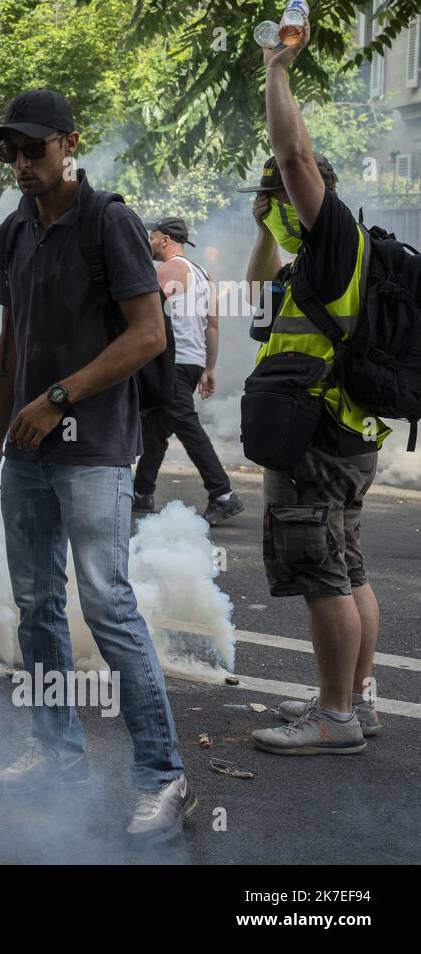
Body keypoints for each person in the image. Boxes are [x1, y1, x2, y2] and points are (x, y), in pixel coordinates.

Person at [0, 90, 194, 842]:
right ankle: (57, 752)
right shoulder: (12, 235)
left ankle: (163, 777)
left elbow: (148, 335)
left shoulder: (111, 222)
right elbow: (10, 346)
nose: (22, 165)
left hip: (94, 447)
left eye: (34, 149)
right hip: (26, 453)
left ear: (70, 143)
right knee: (36, 607)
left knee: (108, 605)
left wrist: (59, 398)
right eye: (11, 153)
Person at [242, 25, 384, 755]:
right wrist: (265, 228)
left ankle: (332, 718)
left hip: (317, 439)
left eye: (277, 193)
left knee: (322, 571)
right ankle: (354, 701)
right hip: (343, 436)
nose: (274, 197)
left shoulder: (330, 236)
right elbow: (256, 307)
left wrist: (276, 71)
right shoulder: (315, 260)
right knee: (348, 566)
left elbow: (293, 151)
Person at [133, 215, 242, 524]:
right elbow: (213, 324)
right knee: (156, 428)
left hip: (173, 362)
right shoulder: (202, 274)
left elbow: (144, 312)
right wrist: (209, 368)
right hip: (192, 362)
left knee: (185, 423)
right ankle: (141, 492)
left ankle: (222, 494)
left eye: (151, 236)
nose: (148, 241)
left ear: (164, 239)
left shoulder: (167, 270)